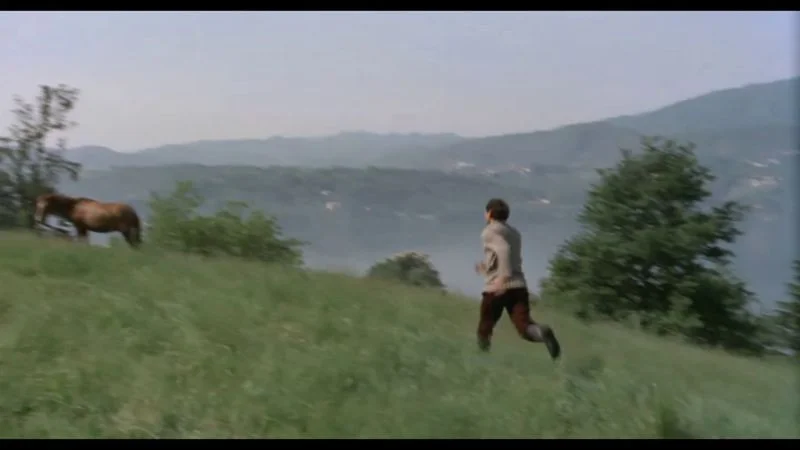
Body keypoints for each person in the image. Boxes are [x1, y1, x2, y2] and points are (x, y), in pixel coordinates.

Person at [474, 198, 561, 360]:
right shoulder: (514, 233)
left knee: (485, 326)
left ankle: (482, 359)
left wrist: (502, 279)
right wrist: (485, 268)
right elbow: (503, 256)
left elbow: (503, 250)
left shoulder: (489, 231)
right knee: (524, 326)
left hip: (497, 288)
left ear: (489, 214)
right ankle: (541, 332)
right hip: (519, 286)